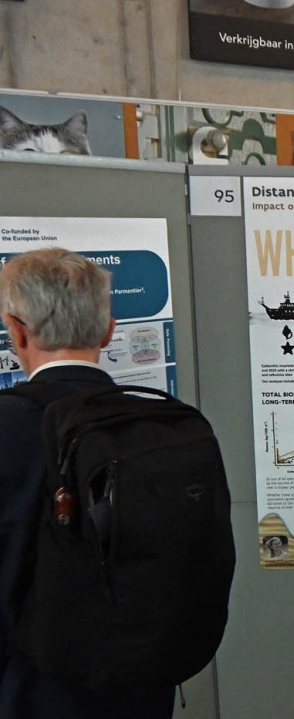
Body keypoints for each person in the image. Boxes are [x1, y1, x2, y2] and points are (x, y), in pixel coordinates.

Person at [0, 248, 175, 717]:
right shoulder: (162, 425)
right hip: (140, 690)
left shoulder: (8, 425)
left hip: (25, 692)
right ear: (108, 330)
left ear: (17, 330)